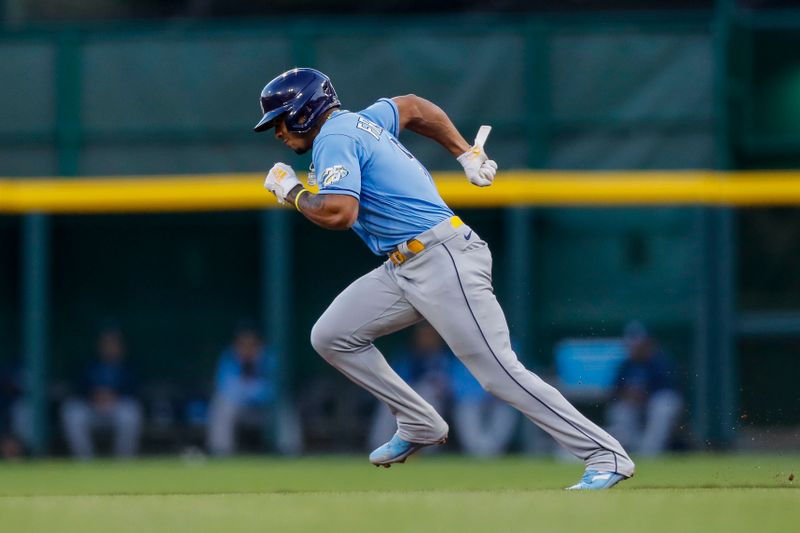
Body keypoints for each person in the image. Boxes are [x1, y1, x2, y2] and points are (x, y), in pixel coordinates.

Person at [254, 67, 634, 489]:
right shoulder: (363, 121)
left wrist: (293, 193)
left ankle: (605, 455)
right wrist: (465, 152)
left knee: (498, 373)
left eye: (281, 119)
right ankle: (418, 422)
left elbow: (341, 213)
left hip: (442, 257)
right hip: (404, 265)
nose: (277, 132)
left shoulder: (334, 138)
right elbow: (415, 107)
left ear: (306, 111)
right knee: (331, 334)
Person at [207, 322, 301, 456]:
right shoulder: (229, 357)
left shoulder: (268, 358)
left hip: (266, 410)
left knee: (283, 406)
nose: (247, 348)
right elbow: (226, 388)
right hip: (240, 410)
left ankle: (290, 451)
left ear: (258, 345)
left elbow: (276, 388)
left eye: (251, 344)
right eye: (243, 344)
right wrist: (252, 391)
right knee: (222, 404)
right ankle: (221, 451)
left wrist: (252, 392)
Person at [61, 327, 142, 459]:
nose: (110, 348)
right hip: (91, 407)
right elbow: (77, 388)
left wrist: (114, 396)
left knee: (130, 413)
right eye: (106, 344)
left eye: (114, 344)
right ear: (100, 346)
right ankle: (85, 460)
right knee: (72, 412)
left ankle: (123, 461)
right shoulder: (89, 365)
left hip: (117, 407)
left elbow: (135, 390)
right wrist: (93, 396)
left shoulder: (128, 367)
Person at [606, 321, 683, 456]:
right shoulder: (626, 365)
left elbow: (669, 390)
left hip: (655, 403)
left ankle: (649, 453)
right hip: (634, 406)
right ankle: (633, 451)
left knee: (663, 406)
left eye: (639, 343)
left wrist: (645, 394)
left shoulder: (660, 362)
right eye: (632, 343)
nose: (635, 347)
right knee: (620, 410)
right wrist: (628, 395)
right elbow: (614, 392)